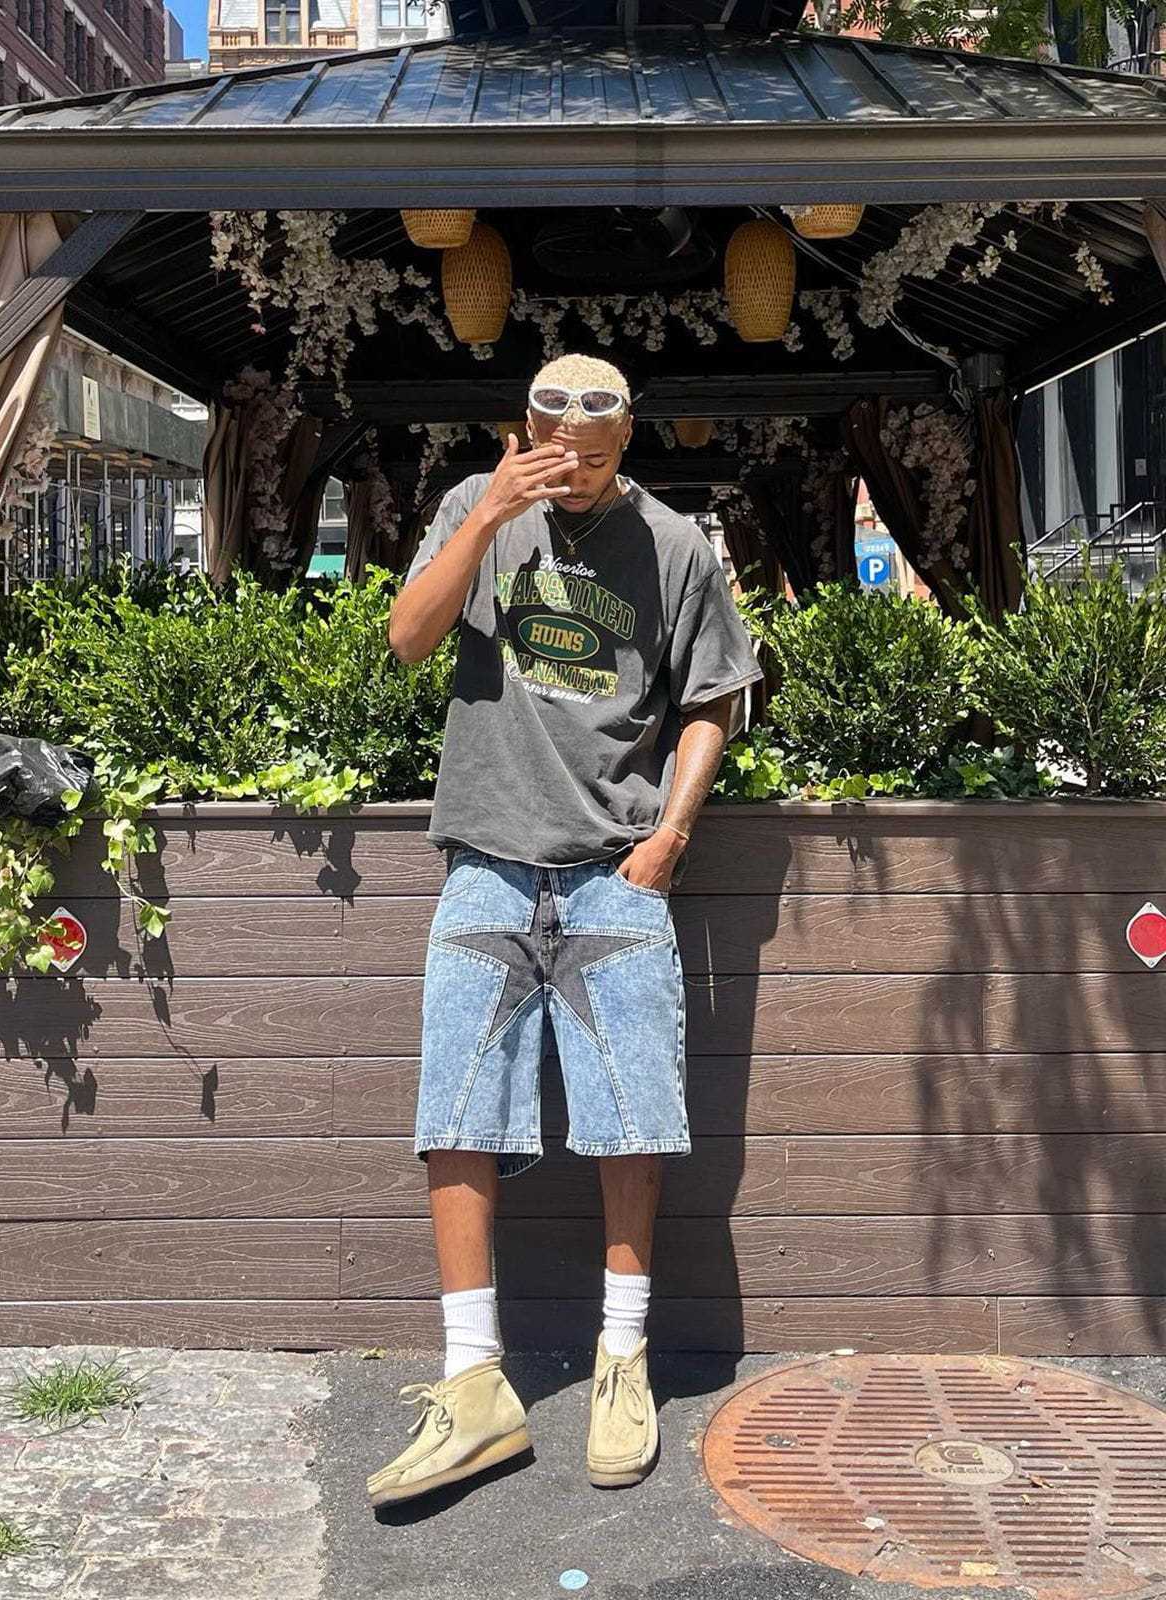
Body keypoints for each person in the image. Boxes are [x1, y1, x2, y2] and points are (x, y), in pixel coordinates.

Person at [369, 353, 764, 1509]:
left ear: (628, 437)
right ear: (526, 430)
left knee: (629, 1116)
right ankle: (472, 1382)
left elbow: (711, 699)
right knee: (455, 1108)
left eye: (596, 453)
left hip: (615, 870)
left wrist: (670, 838)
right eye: (559, 451)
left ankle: (622, 1357)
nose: (577, 471)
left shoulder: (676, 547)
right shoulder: (478, 506)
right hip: (486, 857)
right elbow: (406, 637)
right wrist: (491, 511)